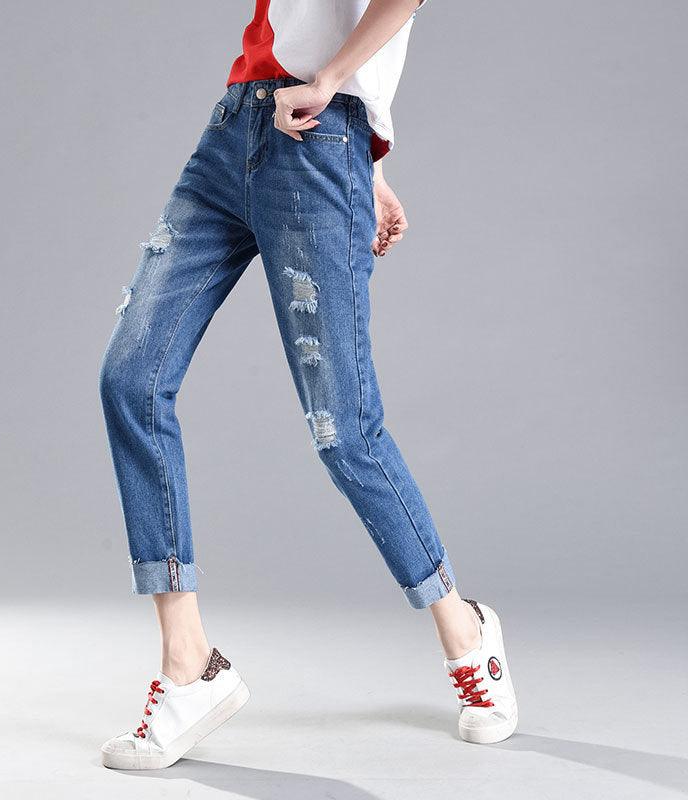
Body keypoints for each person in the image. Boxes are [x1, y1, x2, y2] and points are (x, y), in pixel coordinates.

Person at [99, 0, 518, 770]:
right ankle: (189, 665)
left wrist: (345, 118)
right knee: (131, 378)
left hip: (319, 142)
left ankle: (465, 629)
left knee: (343, 431)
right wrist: (375, 167)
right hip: (235, 128)